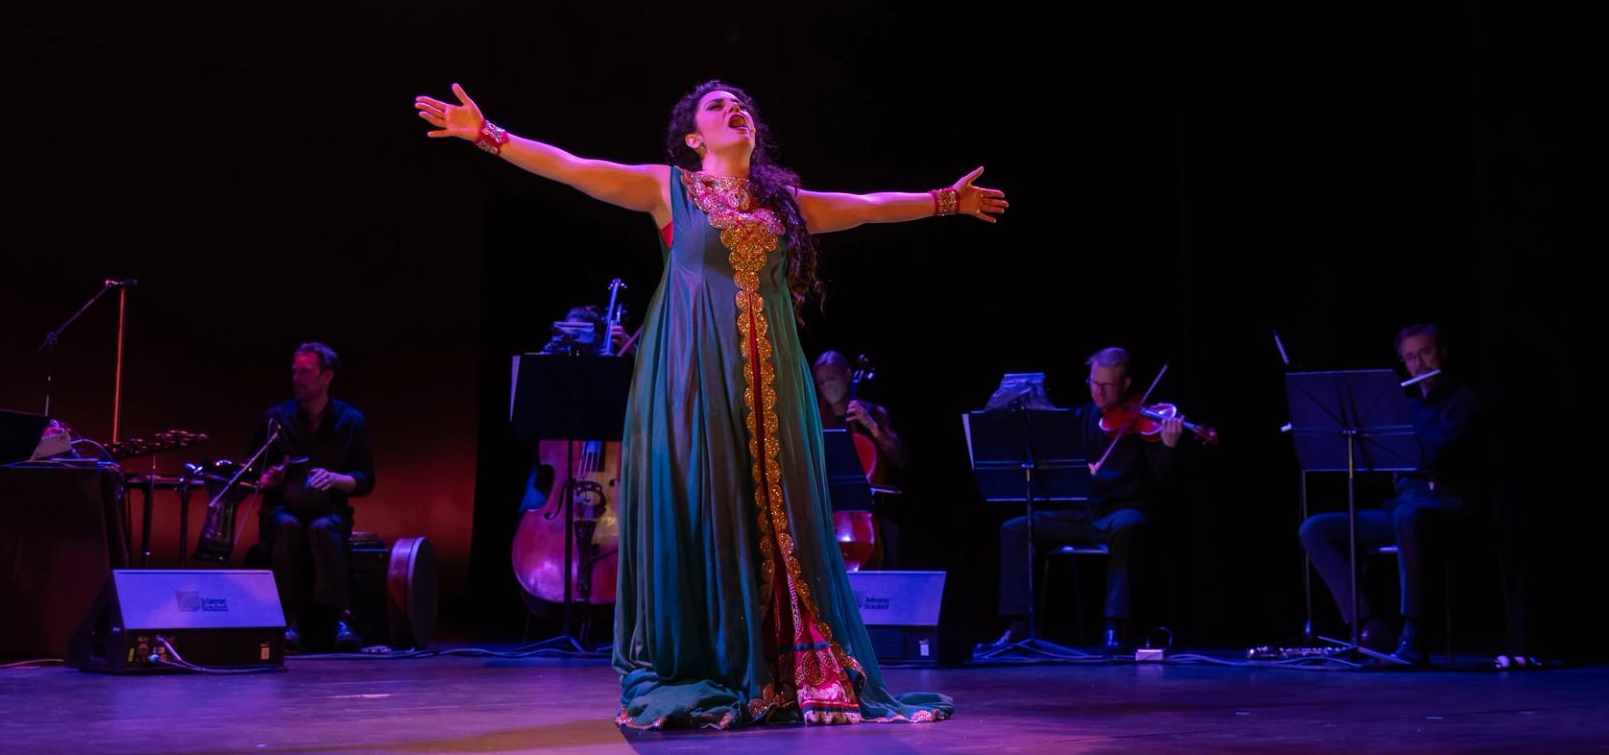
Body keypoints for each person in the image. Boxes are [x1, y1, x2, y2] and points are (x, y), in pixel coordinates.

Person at [418, 79, 1005, 728]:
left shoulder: (782, 205)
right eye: (718, 105)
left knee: (773, 512)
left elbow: (865, 206)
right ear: (695, 138)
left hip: (771, 382)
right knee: (708, 502)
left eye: (741, 103)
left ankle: (782, 662)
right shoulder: (667, 188)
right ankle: (710, 661)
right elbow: (572, 167)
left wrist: (944, 200)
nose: (736, 109)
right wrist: (487, 135)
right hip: (694, 376)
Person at [1298, 322, 1488, 665]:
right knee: (1315, 529)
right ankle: (1367, 627)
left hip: (1445, 505)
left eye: (1426, 352)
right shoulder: (1406, 406)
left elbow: (1438, 453)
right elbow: (1386, 468)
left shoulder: (1465, 400)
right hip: (1402, 504)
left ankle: (1415, 633)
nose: (1419, 364)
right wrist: (1360, 440)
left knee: (1409, 516)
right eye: (1410, 357)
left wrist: (1398, 448)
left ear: (1442, 353)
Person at [979, 346, 1180, 656]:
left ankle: (1114, 626)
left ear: (1126, 384)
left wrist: (1167, 447)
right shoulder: (1079, 418)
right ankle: (1017, 625)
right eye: (1093, 383)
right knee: (1014, 528)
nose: (1098, 392)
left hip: (1117, 513)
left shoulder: (1143, 421)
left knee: (1129, 525)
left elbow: (1161, 479)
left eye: (1107, 385)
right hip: (1077, 514)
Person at [254, 341, 375, 652]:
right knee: (287, 526)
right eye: (294, 371)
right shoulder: (276, 419)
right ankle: (287, 621)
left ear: (327, 376)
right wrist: (270, 479)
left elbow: (365, 479)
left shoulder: (351, 420)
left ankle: (340, 620)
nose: (296, 378)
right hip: (283, 508)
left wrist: (335, 479)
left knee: (323, 528)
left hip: (329, 510)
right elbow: (255, 474)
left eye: (305, 372)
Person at [811, 350, 907, 569]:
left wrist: (871, 425)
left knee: (887, 540)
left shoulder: (873, 413)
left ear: (848, 376)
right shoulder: (818, 419)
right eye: (822, 383)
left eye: (832, 379)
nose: (828, 387)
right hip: (828, 514)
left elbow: (899, 458)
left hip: (870, 515)